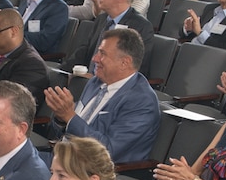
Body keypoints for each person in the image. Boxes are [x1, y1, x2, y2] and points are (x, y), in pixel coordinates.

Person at [43, 28, 160, 163]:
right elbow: (68, 130)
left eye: (102, 54)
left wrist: (69, 117)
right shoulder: (95, 82)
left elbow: (107, 151)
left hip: (92, 172)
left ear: (124, 62)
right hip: (64, 157)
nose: (95, 58)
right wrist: (61, 119)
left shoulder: (142, 101)